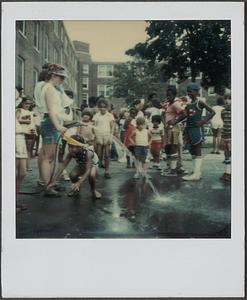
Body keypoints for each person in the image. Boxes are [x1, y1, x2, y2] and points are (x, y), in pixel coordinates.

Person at [37, 63, 68, 197]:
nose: (63, 81)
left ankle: (49, 183)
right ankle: (48, 187)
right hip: (50, 123)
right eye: (61, 78)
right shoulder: (49, 88)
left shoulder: (50, 88)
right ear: (54, 76)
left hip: (50, 122)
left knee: (48, 156)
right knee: (48, 157)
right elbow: (50, 110)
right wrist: (57, 126)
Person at [47, 135, 101, 199]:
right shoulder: (71, 153)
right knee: (72, 175)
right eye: (69, 146)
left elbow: (88, 171)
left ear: (80, 147)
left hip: (93, 165)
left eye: (72, 147)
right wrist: (53, 181)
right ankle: (76, 190)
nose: (70, 149)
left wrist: (79, 183)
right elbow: (62, 167)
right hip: (82, 164)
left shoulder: (88, 153)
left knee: (91, 175)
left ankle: (93, 190)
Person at [181, 83, 215, 181]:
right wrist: (174, 121)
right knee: (192, 150)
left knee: (197, 149)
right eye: (187, 91)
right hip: (189, 129)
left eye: (190, 91)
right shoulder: (188, 104)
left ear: (196, 91)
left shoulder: (200, 102)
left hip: (196, 129)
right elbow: (184, 116)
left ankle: (196, 174)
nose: (188, 93)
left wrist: (203, 121)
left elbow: (212, 112)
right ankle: (196, 172)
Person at [161, 86, 185, 176]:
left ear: (174, 95)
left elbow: (184, 113)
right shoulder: (168, 104)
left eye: (170, 95)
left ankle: (174, 170)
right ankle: (171, 168)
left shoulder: (175, 104)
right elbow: (162, 115)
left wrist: (175, 121)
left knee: (173, 147)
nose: (168, 97)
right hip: (168, 128)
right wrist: (165, 124)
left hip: (174, 128)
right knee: (169, 148)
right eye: (167, 95)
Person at [15, 108, 34, 211]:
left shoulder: (18, 111)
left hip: (21, 142)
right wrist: (24, 130)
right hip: (14, 143)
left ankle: (15, 199)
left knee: (22, 173)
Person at [92, 98, 115, 179]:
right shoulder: (96, 115)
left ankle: (107, 171)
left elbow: (112, 127)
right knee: (98, 155)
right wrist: (96, 137)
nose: (102, 108)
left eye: (104, 107)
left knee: (107, 155)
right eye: (101, 106)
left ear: (107, 107)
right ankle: (96, 171)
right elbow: (93, 127)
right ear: (98, 107)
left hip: (107, 136)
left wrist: (110, 137)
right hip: (99, 136)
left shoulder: (110, 115)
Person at [17, 96, 37, 171]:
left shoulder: (30, 112)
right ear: (22, 103)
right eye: (26, 103)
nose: (28, 105)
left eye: (29, 104)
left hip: (30, 132)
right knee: (20, 149)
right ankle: (20, 166)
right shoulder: (19, 110)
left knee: (29, 150)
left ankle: (27, 166)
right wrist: (25, 121)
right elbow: (15, 120)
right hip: (21, 132)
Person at [220, 94, 231, 182]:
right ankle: (227, 172)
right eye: (226, 99)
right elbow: (224, 120)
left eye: (230, 99)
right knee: (226, 154)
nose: (227, 101)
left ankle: (230, 173)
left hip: (232, 136)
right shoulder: (223, 111)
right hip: (225, 135)